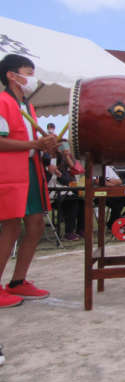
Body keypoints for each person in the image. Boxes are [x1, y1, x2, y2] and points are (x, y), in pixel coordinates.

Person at [0, 54, 57, 308]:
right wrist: (35, 143)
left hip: (31, 171)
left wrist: (50, 146)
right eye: (28, 72)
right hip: (10, 172)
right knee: (11, 228)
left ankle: (18, 280)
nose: (32, 78)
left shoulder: (29, 107)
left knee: (35, 224)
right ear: (12, 75)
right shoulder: (2, 102)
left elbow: (35, 143)